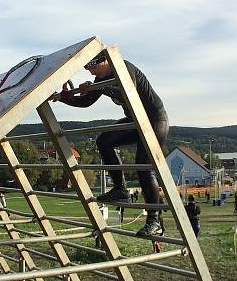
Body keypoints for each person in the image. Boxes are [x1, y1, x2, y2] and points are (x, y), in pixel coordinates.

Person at [54, 51, 169, 238]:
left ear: (104, 61)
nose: (90, 73)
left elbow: (127, 91)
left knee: (143, 165)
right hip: (134, 121)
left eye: (91, 67)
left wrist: (95, 87)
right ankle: (120, 189)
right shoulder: (100, 80)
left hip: (154, 120)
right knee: (104, 141)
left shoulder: (122, 66)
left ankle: (154, 219)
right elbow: (86, 102)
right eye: (86, 69)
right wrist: (66, 98)